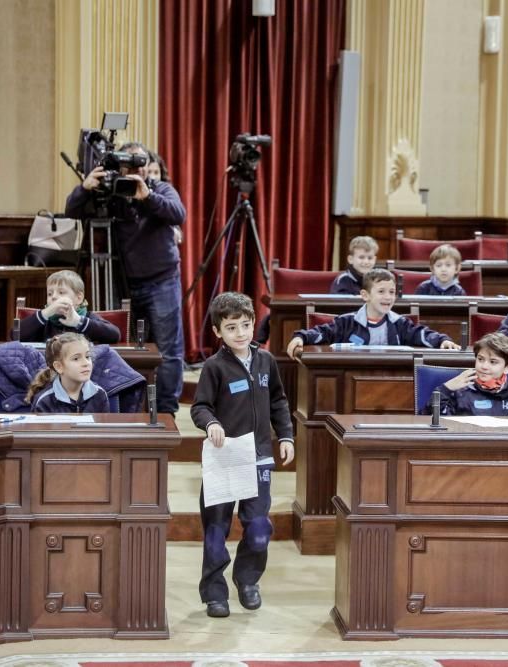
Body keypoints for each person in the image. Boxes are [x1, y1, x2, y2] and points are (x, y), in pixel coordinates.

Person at [190, 292, 294, 618]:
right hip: (224, 459)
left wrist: (287, 436)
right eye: (232, 327)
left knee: (259, 528)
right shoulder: (213, 367)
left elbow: (278, 401)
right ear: (218, 332)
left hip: (259, 457)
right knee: (216, 532)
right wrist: (211, 424)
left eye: (246, 325)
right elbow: (200, 407)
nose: (241, 333)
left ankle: (247, 580)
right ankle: (214, 593)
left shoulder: (266, 362)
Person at [65, 142, 186, 415]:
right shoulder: (111, 196)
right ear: (118, 167)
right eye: (128, 165)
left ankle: (166, 412)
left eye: (139, 164)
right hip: (126, 284)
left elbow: (179, 214)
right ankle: (132, 406)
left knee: (168, 351)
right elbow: (71, 212)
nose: (134, 170)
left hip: (163, 281)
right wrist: (85, 188)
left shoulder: (160, 189)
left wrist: (147, 197)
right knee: (126, 348)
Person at [287, 268, 460, 359]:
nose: (388, 297)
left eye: (391, 292)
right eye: (381, 291)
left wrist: (443, 340)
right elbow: (322, 333)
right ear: (365, 295)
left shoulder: (400, 323)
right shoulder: (347, 322)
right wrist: (300, 337)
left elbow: (422, 334)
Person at [19, 269, 120, 344]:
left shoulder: (88, 317)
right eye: (50, 294)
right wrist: (45, 314)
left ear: (79, 298)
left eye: (61, 292)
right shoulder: (45, 322)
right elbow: (15, 335)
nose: (53, 297)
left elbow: (115, 335)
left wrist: (78, 322)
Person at [26, 333, 110, 413]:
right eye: (76, 359)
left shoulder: (100, 394)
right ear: (59, 367)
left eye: (87, 357)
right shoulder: (44, 401)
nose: (86, 363)